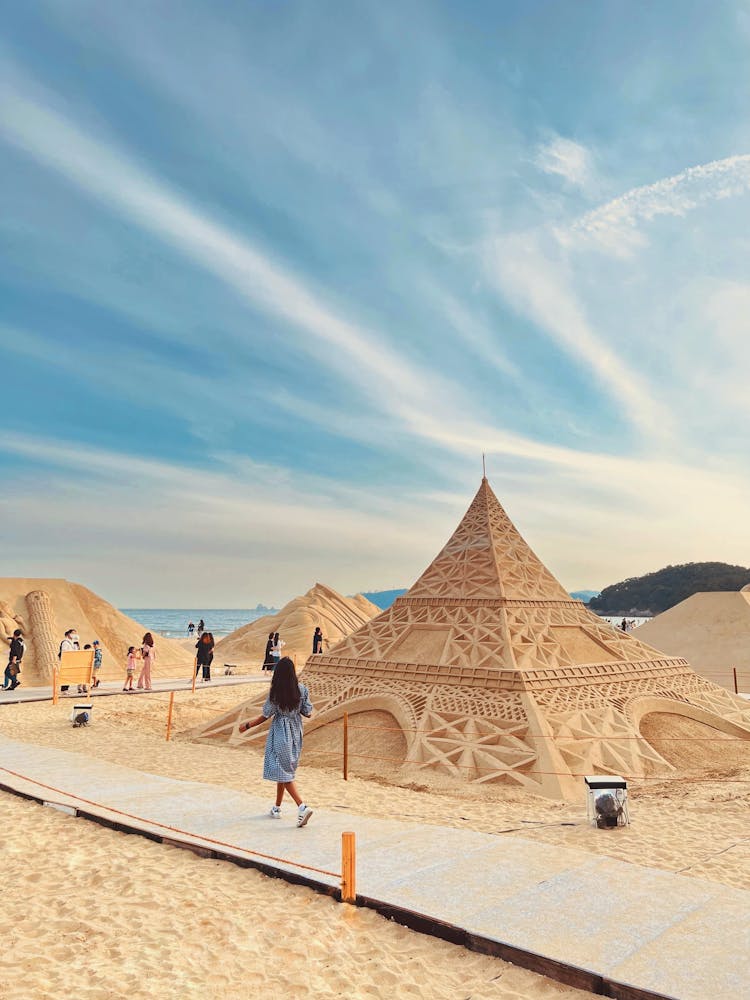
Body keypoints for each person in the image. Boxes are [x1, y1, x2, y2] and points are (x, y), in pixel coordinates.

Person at [239, 656, 313, 826]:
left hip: (280, 733)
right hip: (296, 733)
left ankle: (302, 806)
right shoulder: (302, 690)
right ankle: (277, 807)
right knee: (284, 768)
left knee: (282, 770)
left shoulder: (276, 693)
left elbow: (265, 716)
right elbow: (308, 712)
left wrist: (247, 725)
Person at [58, 628, 80, 693]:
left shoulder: (73, 643)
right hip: (66, 661)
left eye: (75, 633)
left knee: (69, 675)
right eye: (73, 633)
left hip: (71, 661)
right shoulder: (65, 642)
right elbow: (64, 652)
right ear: (68, 634)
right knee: (66, 675)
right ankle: (64, 689)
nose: (75, 635)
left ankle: (66, 689)